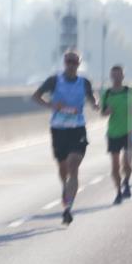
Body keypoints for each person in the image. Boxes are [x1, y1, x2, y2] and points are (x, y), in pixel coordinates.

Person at [32, 51, 100, 225]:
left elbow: (92, 98)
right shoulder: (54, 81)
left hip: (77, 128)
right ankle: (65, 189)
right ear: (64, 63)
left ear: (79, 64)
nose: (71, 65)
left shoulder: (84, 82)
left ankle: (68, 208)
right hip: (58, 129)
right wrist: (52, 105)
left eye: (74, 62)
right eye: (69, 62)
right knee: (63, 167)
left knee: (74, 164)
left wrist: (96, 104)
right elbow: (36, 96)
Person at [100, 66, 132, 204]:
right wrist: (108, 111)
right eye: (114, 76)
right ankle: (118, 192)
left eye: (119, 75)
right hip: (113, 133)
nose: (116, 78)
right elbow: (102, 113)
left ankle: (127, 182)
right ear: (111, 77)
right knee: (115, 166)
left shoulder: (131, 91)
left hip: (129, 131)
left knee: (127, 164)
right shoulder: (106, 93)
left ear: (123, 76)